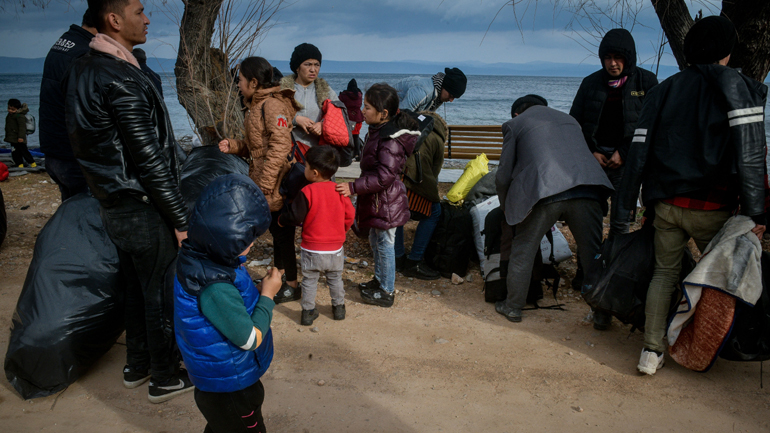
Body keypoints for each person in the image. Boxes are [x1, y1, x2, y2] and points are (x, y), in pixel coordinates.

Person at [613, 16, 768, 376]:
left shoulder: (664, 89)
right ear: (728, 51)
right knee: (719, 281)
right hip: (714, 208)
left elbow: (638, 153)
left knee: (664, 275)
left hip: (667, 205)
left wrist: (628, 208)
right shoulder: (741, 87)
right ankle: (706, 348)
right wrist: (757, 213)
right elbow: (751, 155)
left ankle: (650, 352)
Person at [64, 0, 192, 403]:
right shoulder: (119, 76)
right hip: (140, 203)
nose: (148, 18)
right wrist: (179, 217)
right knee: (159, 291)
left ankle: (138, 365)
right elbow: (148, 157)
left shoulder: (85, 69)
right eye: (140, 11)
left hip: (113, 202)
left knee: (136, 288)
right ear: (115, 20)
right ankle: (165, 376)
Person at [174, 174, 281, 433]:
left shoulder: (202, 254)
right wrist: (267, 295)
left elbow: (227, 300)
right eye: (245, 240)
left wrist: (253, 290)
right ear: (223, 239)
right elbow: (249, 339)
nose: (253, 243)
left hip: (220, 379)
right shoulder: (214, 286)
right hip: (230, 388)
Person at [569, 28, 658, 331]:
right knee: (589, 225)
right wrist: (591, 151)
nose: (612, 63)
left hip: (627, 167)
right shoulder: (590, 84)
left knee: (620, 226)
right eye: (607, 57)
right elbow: (575, 124)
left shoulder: (646, 83)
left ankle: (612, 286)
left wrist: (624, 151)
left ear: (628, 58)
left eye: (618, 57)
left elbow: (651, 126)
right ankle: (588, 278)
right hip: (592, 165)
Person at [494, 95, 613, 323]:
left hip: (545, 191)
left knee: (523, 249)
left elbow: (503, 176)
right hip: (587, 189)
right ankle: (602, 314)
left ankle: (513, 307)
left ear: (517, 114)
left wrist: (506, 206)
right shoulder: (570, 120)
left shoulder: (515, 124)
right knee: (592, 255)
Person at [218, 56, 301, 305]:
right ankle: (278, 277)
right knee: (277, 231)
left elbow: (279, 146)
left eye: (241, 80)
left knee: (283, 232)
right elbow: (258, 148)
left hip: (275, 181)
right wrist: (234, 146)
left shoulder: (271, 106)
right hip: (264, 179)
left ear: (254, 82)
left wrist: (265, 183)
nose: (238, 84)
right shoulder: (255, 105)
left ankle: (291, 285)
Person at [336, 83, 419, 308]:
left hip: (387, 202)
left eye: (368, 107)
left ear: (383, 114)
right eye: (364, 105)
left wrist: (353, 187)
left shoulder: (389, 139)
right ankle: (379, 280)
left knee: (385, 244)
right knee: (376, 241)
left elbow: (385, 176)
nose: (363, 110)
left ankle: (387, 290)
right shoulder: (377, 131)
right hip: (377, 200)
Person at [278, 146, 355, 325]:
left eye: (305, 167)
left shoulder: (307, 192)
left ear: (314, 173)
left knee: (310, 280)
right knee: (335, 279)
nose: (303, 170)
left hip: (312, 248)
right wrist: (341, 231)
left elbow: (296, 216)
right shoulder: (339, 191)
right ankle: (339, 308)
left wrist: (282, 219)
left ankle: (308, 311)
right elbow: (350, 216)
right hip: (335, 248)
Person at [39, 10, 97, 200]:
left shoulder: (65, 43)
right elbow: (88, 112)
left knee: (71, 208)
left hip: (54, 149)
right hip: (73, 155)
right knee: (87, 216)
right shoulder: (83, 53)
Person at [394, 111, 446, 280]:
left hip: (395, 179)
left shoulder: (407, 128)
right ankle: (414, 261)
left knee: (399, 213)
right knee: (434, 212)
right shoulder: (437, 139)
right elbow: (434, 172)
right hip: (413, 182)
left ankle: (398, 257)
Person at [280, 42, 338, 150]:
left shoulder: (327, 91)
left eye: (317, 64)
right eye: (307, 64)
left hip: (318, 153)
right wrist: (295, 119)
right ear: (297, 67)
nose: (313, 69)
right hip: (288, 151)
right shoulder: (283, 90)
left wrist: (323, 125)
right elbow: (271, 115)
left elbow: (339, 116)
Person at [393, 67, 467, 112]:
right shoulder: (423, 92)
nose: (451, 100)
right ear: (445, 86)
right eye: (451, 95)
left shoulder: (437, 95)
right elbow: (401, 116)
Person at [5, 99, 35, 168]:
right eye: (9, 108)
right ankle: (19, 164)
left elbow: (22, 128)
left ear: (18, 109)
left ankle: (32, 163)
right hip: (13, 138)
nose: (10, 110)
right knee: (15, 152)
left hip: (19, 138)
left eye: (12, 109)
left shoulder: (19, 116)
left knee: (24, 151)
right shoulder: (10, 115)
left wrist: (21, 137)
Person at [339, 78, 364, 161]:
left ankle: (348, 154)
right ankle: (358, 154)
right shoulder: (359, 95)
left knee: (348, 136)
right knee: (356, 136)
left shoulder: (344, 95)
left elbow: (339, 100)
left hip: (348, 118)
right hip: (358, 118)